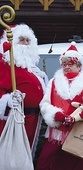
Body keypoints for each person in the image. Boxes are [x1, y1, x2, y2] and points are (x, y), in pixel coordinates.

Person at [36, 41, 83, 170]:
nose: (67, 67)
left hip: (80, 135)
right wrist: (55, 114)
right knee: (47, 163)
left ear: (79, 66)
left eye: (70, 64)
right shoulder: (53, 82)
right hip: (56, 134)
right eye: (64, 64)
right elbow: (44, 104)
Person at [0, 23, 48, 157]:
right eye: (21, 39)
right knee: (14, 158)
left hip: (32, 121)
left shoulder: (31, 68)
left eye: (28, 40)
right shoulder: (5, 64)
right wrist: (8, 100)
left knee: (25, 157)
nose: (25, 43)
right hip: (15, 121)